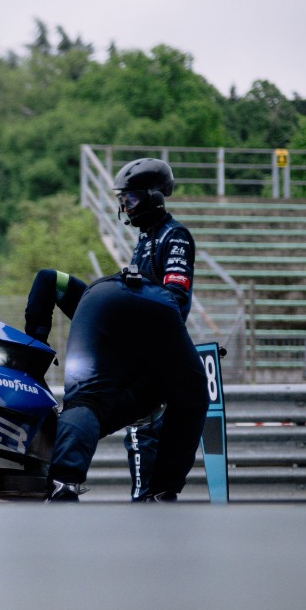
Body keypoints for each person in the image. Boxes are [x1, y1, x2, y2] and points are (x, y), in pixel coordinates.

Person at [24, 157, 207, 501]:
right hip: (125, 324)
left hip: (143, 326)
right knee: (51, 280)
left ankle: (66, 477)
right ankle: (34, 358)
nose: (125, 206)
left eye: (131, 199)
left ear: (155, 196)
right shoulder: (144, 239)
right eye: (123, 200)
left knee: (99, 403)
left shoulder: (175, 235)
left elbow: (176, 300)